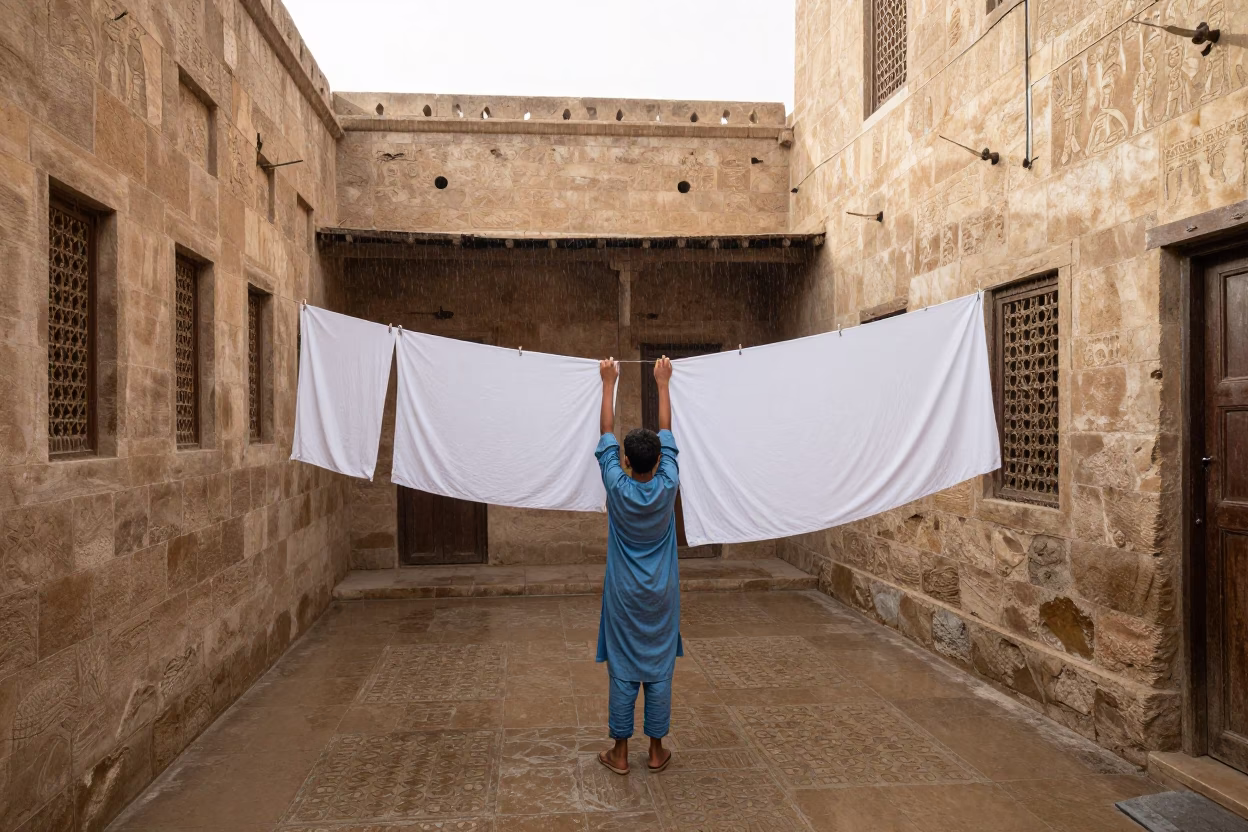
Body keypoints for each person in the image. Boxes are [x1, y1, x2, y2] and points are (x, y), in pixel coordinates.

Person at [594, 356, 681, 776]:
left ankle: (621, 752)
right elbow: (667, 434)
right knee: (658, 668)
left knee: (625, 669)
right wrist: (662, 383)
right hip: (661, 593)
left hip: (624, 594)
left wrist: (608, 381)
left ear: (626, 462)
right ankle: (656, 750)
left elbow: (605, 432)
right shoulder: (668, 485)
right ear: (659, 460)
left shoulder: (616, 485)